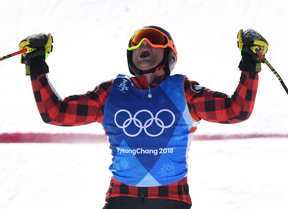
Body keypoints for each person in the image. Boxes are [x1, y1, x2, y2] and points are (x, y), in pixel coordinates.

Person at [19, 26, 268, 209]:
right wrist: (37, 65)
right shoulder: (111, 92)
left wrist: (250, 62)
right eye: (137, 42)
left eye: (154, 40)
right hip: (120, 199)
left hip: (170, 201)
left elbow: (237, 110)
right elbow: (55, 113)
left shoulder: (183, 91)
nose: (144, 44)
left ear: (169, 54)